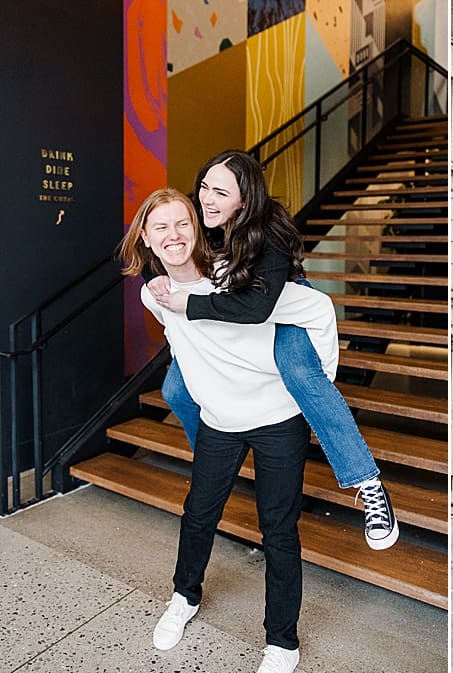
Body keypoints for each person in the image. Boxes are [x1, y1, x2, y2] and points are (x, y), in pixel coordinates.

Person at [119, 187, 338, 673]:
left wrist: (316, 384)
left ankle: (282, 642)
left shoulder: (234, 278)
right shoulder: (151, 293)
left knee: (278, 531)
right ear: (148, 242)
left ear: (198, 229)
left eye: (183, 223)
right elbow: (183, 345)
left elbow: (317, 311)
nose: (174, 235)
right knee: (198, 513)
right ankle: (184, 597)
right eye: (162, 228)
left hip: (278, 420)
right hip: (220, 424)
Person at [146, 150, 397, 551]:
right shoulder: (202, 217)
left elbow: (256, 308)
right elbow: (165, 242)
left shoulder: (272, 232)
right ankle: (217, 461)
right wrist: (156, 279)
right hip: (230, 312)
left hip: (283, 311)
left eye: (220, 192)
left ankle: (367, 482)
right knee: (175, 390)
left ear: (244, 200)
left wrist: (188, 305)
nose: (207, 199)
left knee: (299, 374)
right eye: (205, 187)